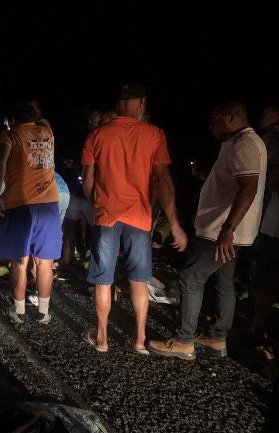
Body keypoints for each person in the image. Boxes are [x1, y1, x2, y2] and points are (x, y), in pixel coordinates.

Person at [149, 99, 267, 360]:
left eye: (214, 120)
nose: (211, 126)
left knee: (191, 277)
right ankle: (217, 337)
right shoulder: (242, 142)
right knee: (224, 281)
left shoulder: (243, 143)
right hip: (233, 233)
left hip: (220, 233)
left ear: (230, 116)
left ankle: (183, 340)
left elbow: (248, 188)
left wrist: (227, 228)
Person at [81, 83, 187, 354]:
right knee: (139, 279)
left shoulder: (98, 135)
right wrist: (174, 223)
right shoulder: (155, 135)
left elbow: (88, 184)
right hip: (139, 218)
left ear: (119, 104)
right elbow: (163, 179)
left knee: (103, 279)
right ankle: (139, 339)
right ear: (141, 103)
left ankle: (102, 338)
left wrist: (98, 201)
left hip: (106, 216)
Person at [0, 102, 62, 324]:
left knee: (19, 262)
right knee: (45, 263)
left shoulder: (9, 136)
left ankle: (19, 312)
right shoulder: (47, 133)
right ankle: (43, 313)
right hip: (49, 205)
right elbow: (44, 122)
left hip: (20, 205)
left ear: (13, 120)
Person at [246, 101, 279, 356]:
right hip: (270, 222)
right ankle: (258, 328)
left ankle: (260, 331)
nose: (262, 114)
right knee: (263, 278)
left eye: (266, 110)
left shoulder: (271, 139)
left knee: (263, 278)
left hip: (271, 223)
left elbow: (266, 179)